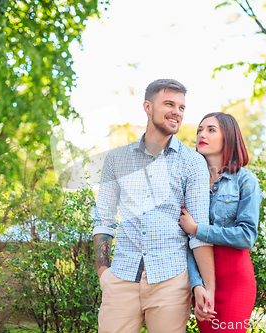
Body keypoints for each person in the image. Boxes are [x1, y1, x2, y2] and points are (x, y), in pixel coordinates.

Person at [92, 79, 216, 333]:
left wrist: (208, 286)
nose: (177, 112)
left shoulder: (193, 163)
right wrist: (103, 272)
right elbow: (103, 220)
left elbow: (199, 229)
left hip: (171, 280)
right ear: (147, 107)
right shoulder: (116, 159)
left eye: (182, 107)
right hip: (121, 278)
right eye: (169, 104)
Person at [179, 112, 262, 332]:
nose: (201, 134)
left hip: (236, 278)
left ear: (229, 136)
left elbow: (246, 236)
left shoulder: (245, 180)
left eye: (210, 129)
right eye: (199, 130)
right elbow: (186, 241)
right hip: (203, 279)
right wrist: (197, 285)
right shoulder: (190, 184)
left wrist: (198, 229)